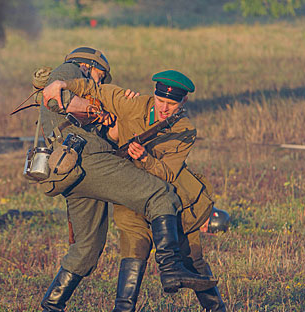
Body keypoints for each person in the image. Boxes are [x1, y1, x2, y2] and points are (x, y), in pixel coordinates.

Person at [39, 49, 217, 312]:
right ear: (90, 65)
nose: (102, 81)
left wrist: (107, 124)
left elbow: (168, 169)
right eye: (102, 75)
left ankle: (51, 306)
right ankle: (170, 270)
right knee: (161, 195)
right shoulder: (71, 71)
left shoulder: (184, 127)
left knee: (87, 248)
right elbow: (67, 95)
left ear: (184, 101)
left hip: (74, 173)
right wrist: (74, 93)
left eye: (172, 103)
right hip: (88, 159)